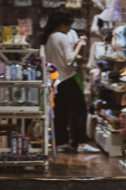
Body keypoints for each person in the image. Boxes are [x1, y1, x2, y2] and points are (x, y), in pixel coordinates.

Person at [42, 11, 100, 153]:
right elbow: (69, 60)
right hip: (67, 78)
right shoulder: (62, 37)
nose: (70, 29)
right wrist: (80, 44)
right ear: (62, 25)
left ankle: (61, 142)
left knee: (61, 111)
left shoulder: (50, 37)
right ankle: (80, 142)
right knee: (79, 109)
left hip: (55, 80)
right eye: (69, 26)